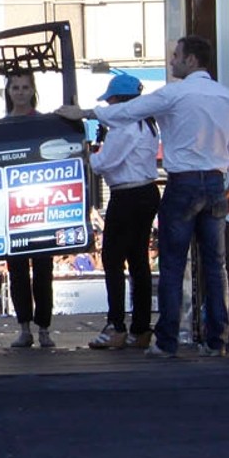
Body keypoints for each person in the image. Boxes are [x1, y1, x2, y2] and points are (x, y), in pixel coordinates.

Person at [57, 34, 229, 359]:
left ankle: (167, 342)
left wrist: (85, 112)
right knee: (215, 266)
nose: (171, 61)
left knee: (172, 264)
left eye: (176, 56)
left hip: (183, 183)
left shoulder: (175, 94)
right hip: (216, 182)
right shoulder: (226, 97)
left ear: (190, 60)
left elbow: (128, 112)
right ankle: (217, 340)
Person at [86, 71, 161, 351]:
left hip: (127, 194)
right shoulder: (147, 124)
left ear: (120, 101)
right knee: (138, 260)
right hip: (146, 191)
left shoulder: (125, 126)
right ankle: (140, 328)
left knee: (113, 259)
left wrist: (89, 156)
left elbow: (105, 162)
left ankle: (115, 325)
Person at [0, 68, 55, 348]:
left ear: (33, 91)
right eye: (15, 87)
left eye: (24, 87)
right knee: (17, 269)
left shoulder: (46, 123)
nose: (20, 92)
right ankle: (24, 328)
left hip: (41, 207)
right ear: (8, 92)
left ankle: (44, 329)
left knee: (44, 269)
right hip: (13, 208)